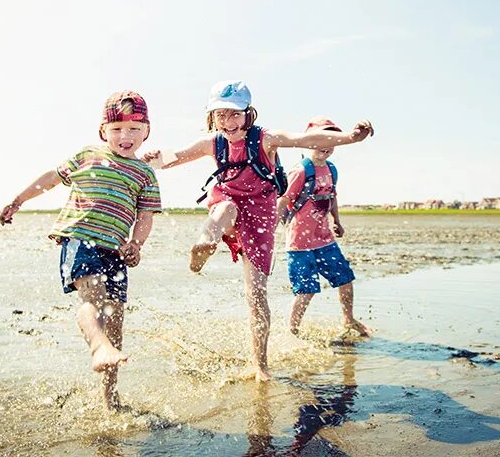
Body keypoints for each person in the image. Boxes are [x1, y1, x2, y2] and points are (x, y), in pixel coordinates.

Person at [144, 80, 373, 381]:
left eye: (235, 114)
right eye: (220, 115)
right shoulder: (212, 143)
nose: (228, 122)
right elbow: (174, 158)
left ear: (248, 113)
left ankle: (260, 365)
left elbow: (303, 138)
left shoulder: (265, 138)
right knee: (226, 208)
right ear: (213, 117)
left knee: (256, 294)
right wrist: (153, 158)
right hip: (227, 202)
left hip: (261, 216)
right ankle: (205, 241)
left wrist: (351, 138)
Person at [0, 90, 161, 409]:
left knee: (115, 322)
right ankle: (97, 347)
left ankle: (110, 396)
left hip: (115, 252)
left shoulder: (145, 174)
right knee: (93, 299)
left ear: (146, 131)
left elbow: (145, 216)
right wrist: (19, 200)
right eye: (116, 129)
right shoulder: (87, 155)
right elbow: (51, 178)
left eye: (133, 128)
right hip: (79, 238)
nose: (124, 136)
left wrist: (136, 244)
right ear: (103, 131)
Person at [276, 117, 370, 337]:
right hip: (299, 244)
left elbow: (332, 197)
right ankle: (293, 330)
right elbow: (283, 200)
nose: (325, 147)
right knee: (306, 291)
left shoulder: (331, 170)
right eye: (319, 141)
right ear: (309, 142)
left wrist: (337, 221)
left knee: (345, 279)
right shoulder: (300, 171)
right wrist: (271, 229)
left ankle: (348, 320)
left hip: (325, 239)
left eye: (331, 143)